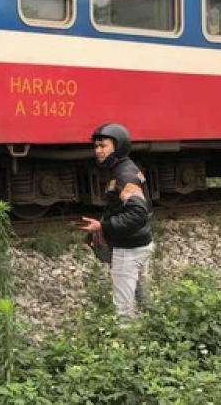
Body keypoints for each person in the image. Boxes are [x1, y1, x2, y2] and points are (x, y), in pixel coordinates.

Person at [79, 123, 154, 321]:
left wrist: (103, 226)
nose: (98, 151)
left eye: (103, 146)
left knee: (124, 310)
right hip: (135, 243)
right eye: (96, 147)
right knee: (142, 300)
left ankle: (128, 345)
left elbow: (138, 212)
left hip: (128, 250)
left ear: (118, 146)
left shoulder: (124, 174)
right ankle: (154, 333)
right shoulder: (121, 169)